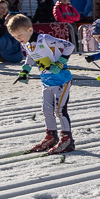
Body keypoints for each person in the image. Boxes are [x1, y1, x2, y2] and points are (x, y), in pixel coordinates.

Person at [9, 14, 76, 154]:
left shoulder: (45, 39)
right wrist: (25, 71)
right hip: (47, 81)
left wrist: (59, 63)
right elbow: (30, 57)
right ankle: (51, 136)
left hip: (61, 80)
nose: (18, 39)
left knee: (60, 110)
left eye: (19, 35)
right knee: (46, 111)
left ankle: (67, 140)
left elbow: (69, 46)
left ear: (29, 30)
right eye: (15, 37)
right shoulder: (26, 43)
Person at [0, 0, 24, 64]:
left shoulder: (8, 17)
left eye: (5, 7)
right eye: (1, 8)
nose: (4, 10)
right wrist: (5, 24)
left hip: (7, 40)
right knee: (0, 44)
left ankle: (1, 56)